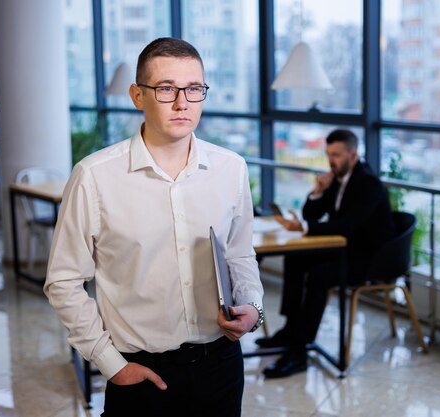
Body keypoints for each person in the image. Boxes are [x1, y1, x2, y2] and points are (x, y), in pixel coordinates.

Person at [44, 37, 264, 416]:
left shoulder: (232, 169)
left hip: (221, 365)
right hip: (140, 371)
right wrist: (111, 363)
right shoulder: (94, 176)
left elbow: (240, 253)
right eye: (166, 89)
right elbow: (63, 281)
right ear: (137, 95)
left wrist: (253, 308)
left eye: (193, 89)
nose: (182, 103)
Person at [257, 128, 395, 379]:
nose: (332, 160)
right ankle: (290, 329)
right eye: (329, 154)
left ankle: (299, 351)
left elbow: (347, 226)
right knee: (296, 257)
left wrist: (306, 227)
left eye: (337, 155)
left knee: (320, 275)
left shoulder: (368, 183)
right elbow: (311, 215)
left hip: (369, 259)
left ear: (353, 155)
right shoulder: (338, 178)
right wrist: (318, 191)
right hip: (342, 250)